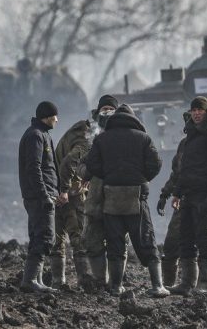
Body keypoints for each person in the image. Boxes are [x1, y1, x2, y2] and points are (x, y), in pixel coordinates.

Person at [84, 104, 169, 297]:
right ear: (133, 119)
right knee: (146, 240)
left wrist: (109, 175)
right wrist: (141, 177)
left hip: (111, 195)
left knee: (115, 243)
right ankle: (157, 286)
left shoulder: (101, 138)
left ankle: (116, 287)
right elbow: (155, 164)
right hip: (137, 195)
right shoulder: (143, 138)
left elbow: (92, 165)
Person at [169, 96, 207, 296]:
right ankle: (187, 283)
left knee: (205, 239)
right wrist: (176, 193)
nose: (196, 113)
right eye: (193, 110)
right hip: (187, 195)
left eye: (200, 110)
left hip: (205, 194)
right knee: (185, 239)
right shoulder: (190, 137)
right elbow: (184, 169)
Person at [18, 101, 64, 293]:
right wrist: (45, 196)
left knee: (38, 236)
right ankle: (29, 281)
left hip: (43, 196)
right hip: (39, 198)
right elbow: (34, 169)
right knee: (45, 238)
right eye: (55, 116)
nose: (57, 119)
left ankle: (36, 280)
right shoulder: (35, 136)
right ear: (47, 116)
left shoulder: (42, 134)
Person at [79, 95, 118, 286]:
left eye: (111, 108)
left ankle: (116, 282)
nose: (107, 111)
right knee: (91, 240)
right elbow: (81, 164)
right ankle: (100, 280)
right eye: (104, 108)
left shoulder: (127, 133)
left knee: (117, 243)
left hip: (119, 200)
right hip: (95, 198)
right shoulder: (90, 136)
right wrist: (88, 173)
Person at [49, 116, 92, 289]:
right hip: (71, 194)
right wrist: (66, 190)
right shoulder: (84, 140)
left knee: (58, 238)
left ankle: (58, 281)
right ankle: (83, 281)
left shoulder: (72, 134)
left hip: (58, 190)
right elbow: (69, 163)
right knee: (78, 236)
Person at [156, 112, 190, 287]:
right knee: (171, 244)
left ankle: (200, 287)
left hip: (200, 200)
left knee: (201, 246)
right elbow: (176, 173)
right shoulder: (184, 145)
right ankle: (169, 285)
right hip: (183, 200)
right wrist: (165, 194)